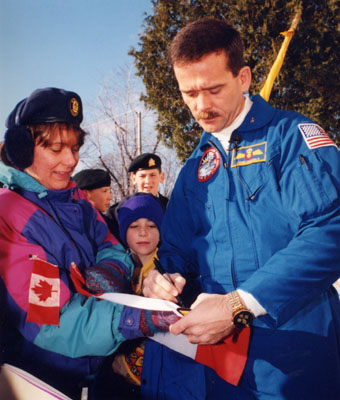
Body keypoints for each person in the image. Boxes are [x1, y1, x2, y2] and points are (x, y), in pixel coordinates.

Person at [141, 17, 340, 399]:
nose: (201, 106)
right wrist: (162, 279)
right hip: (221, 368)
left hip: (294, 358)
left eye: (214, 89)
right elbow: (176, 252)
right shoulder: (193, 169)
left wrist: (239, 306)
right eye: (189, 93)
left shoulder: (290, 137)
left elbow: (329, 230)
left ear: (244, 78)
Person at [0, 87, 180, 399]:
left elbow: (112, 246)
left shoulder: (77, 201)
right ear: (21, 150)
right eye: (57, 150)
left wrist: (109, 271)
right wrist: (131, 320)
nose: (71, 161)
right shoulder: (9, 214)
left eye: (74, 148)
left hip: (96, 373)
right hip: (42, 380)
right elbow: (52, 322)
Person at [106, 153, 169, 245]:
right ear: (133, 178)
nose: (148, 181)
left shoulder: (171, 208)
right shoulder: (118, 211)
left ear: (161, 177)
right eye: (142, 176)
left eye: (152, 175)